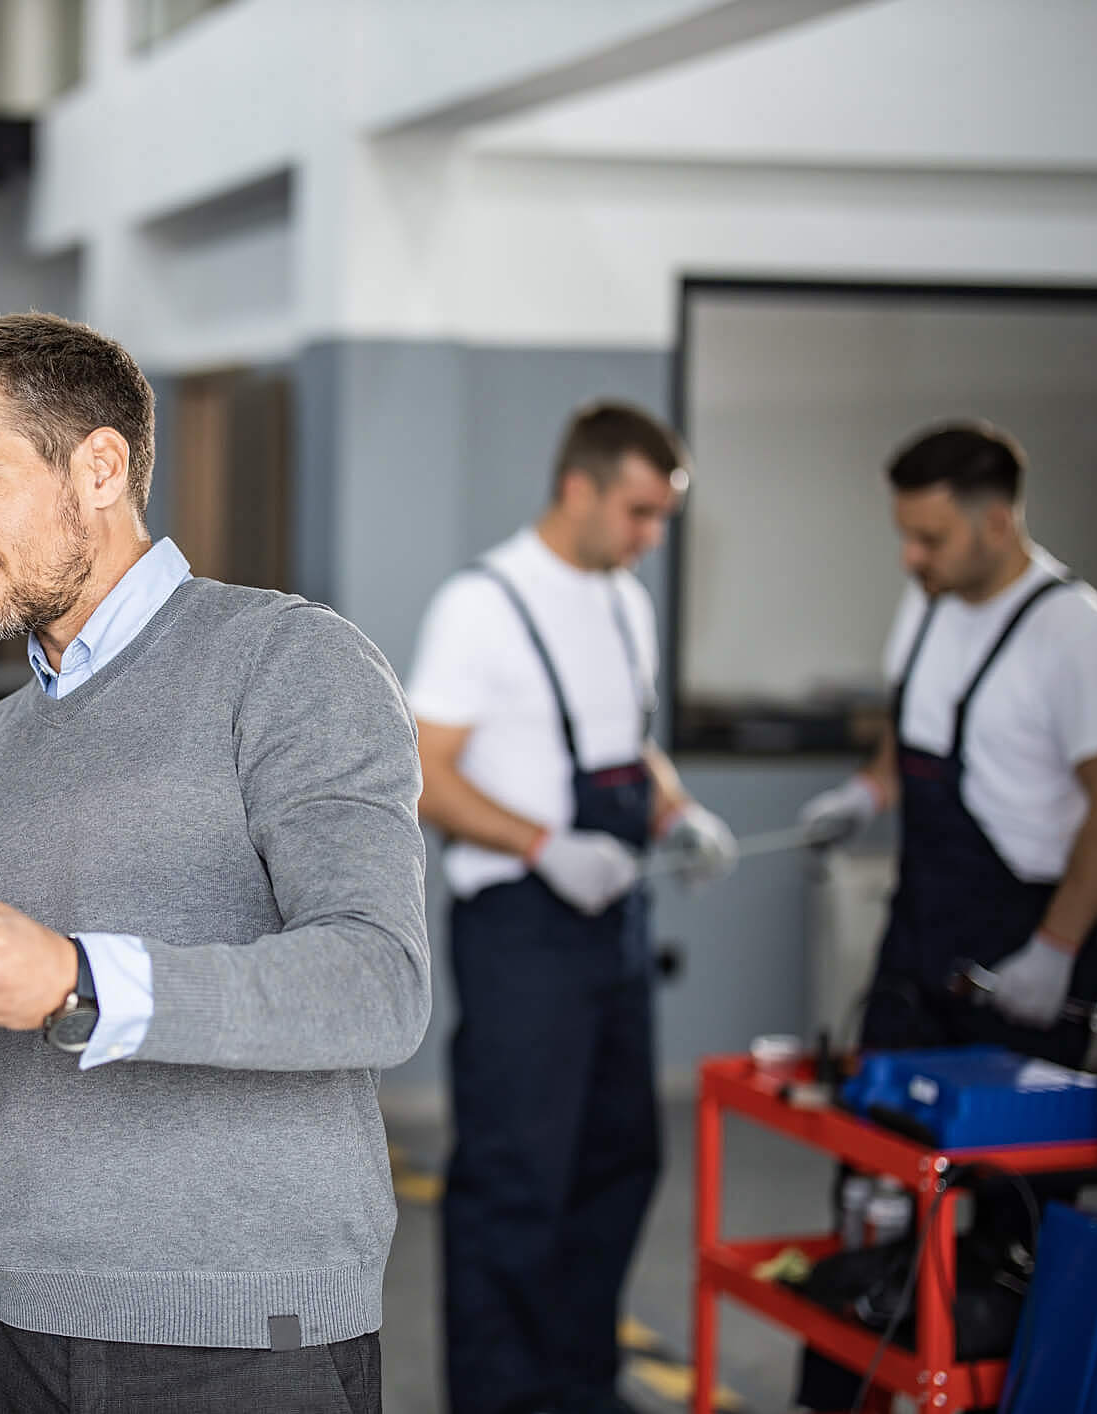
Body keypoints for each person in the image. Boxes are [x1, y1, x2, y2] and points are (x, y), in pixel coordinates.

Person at [0, 312, 428, 1414]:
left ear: (99, 467)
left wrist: (77, 978)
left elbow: (377, 985)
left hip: (250, 1338)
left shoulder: (290, 663)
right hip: (21, 1317)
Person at [406, 402, 737, 1414]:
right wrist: (544, 845)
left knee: (615, 1161)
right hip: (523, 935)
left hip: (617, 926)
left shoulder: (624, 601)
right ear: (579, 487)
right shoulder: (483, 604)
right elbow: (423, 772)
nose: (650, 536)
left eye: (664, 517)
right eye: (640, 511)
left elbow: (627, 742)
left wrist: (677, 810)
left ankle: (579, 1384)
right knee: (518, 1180)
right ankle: (501, 1398)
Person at [790, 421, 1097, 1409]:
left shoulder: (1078, 636)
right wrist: (868, 790)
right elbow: (914, 729)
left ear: (996, 520)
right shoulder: (928, 604)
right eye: (906, 535)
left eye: (930, 538)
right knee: (875, 1193)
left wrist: (1054, 948)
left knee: (1010, 1225)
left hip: (1024, 955)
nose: (913, 558)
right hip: (919, 939)